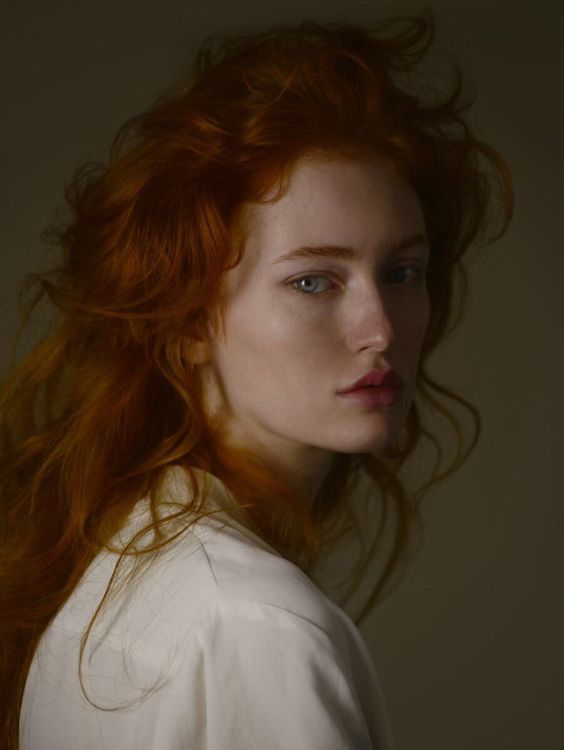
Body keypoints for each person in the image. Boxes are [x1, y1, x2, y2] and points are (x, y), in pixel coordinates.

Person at [0, 14, 513, 750]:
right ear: (187, 320)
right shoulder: (255, 626)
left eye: (402, 272)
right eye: (312, 281)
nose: (381, 328)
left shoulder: (131, 557)